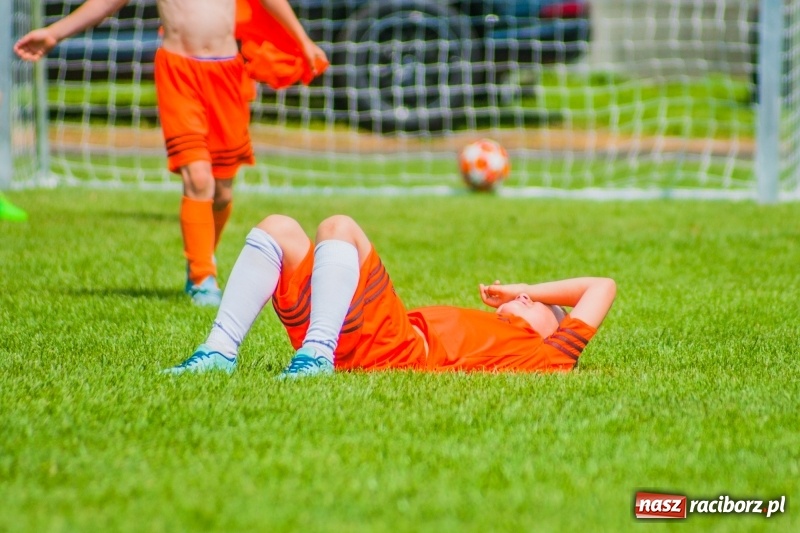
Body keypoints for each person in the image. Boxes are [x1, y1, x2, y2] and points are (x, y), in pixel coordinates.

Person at [13, 0, 327, 307]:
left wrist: (303, 40)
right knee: (198, 178)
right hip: (179, 72)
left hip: (227, 73)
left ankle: (204, 256)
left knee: (222, 192)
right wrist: (55, 32)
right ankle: (203, 276)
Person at [162, 214, 617, 377]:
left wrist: (525, 289)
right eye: (528, 299)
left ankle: (317, 355)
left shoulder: (546, 357)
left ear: (555, 333)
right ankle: (218, 352)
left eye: (541, 308)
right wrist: (524, 300)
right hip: (364, 333)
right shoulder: (518, 336)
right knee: (278, 228)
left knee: (340, 228)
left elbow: (602, 287)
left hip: (396, 349)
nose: (525, 303)